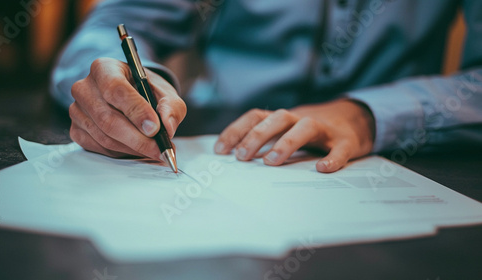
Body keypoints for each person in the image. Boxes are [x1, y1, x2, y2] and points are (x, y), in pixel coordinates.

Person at [51, 0, 482, 173]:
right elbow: (113, 27)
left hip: (395, 159)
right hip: (216, 138)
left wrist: (367, 114)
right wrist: (121, 85)